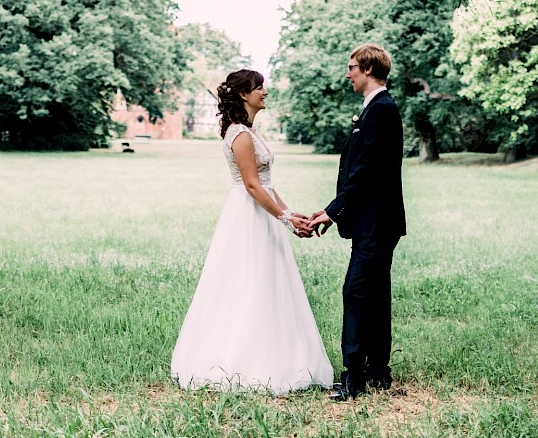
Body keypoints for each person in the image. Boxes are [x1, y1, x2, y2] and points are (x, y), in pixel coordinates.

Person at [171, 69, 333, 395]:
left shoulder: (250, 130)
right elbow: (251, 186)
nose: (265, 91)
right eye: (259, 87)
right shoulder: (239, 135)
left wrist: (291, 214)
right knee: (247, 283)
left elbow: (267, 186)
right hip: (248, 217)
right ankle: (241, 360)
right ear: (244, 94)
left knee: (267, 282)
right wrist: (285, 218)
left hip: (262, 212)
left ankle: (279, 352)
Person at [307, 43, 406, 400]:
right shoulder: (374, 109)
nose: (347, 74)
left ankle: (354, 378)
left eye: (351, 67)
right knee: (375, 295)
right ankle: (377, 371)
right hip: (375, 220)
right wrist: (335, 211)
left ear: (367, 68)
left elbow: (365, 172)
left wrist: (333, 211)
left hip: (376, 221)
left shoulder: (381, 110)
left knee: (358, 292)